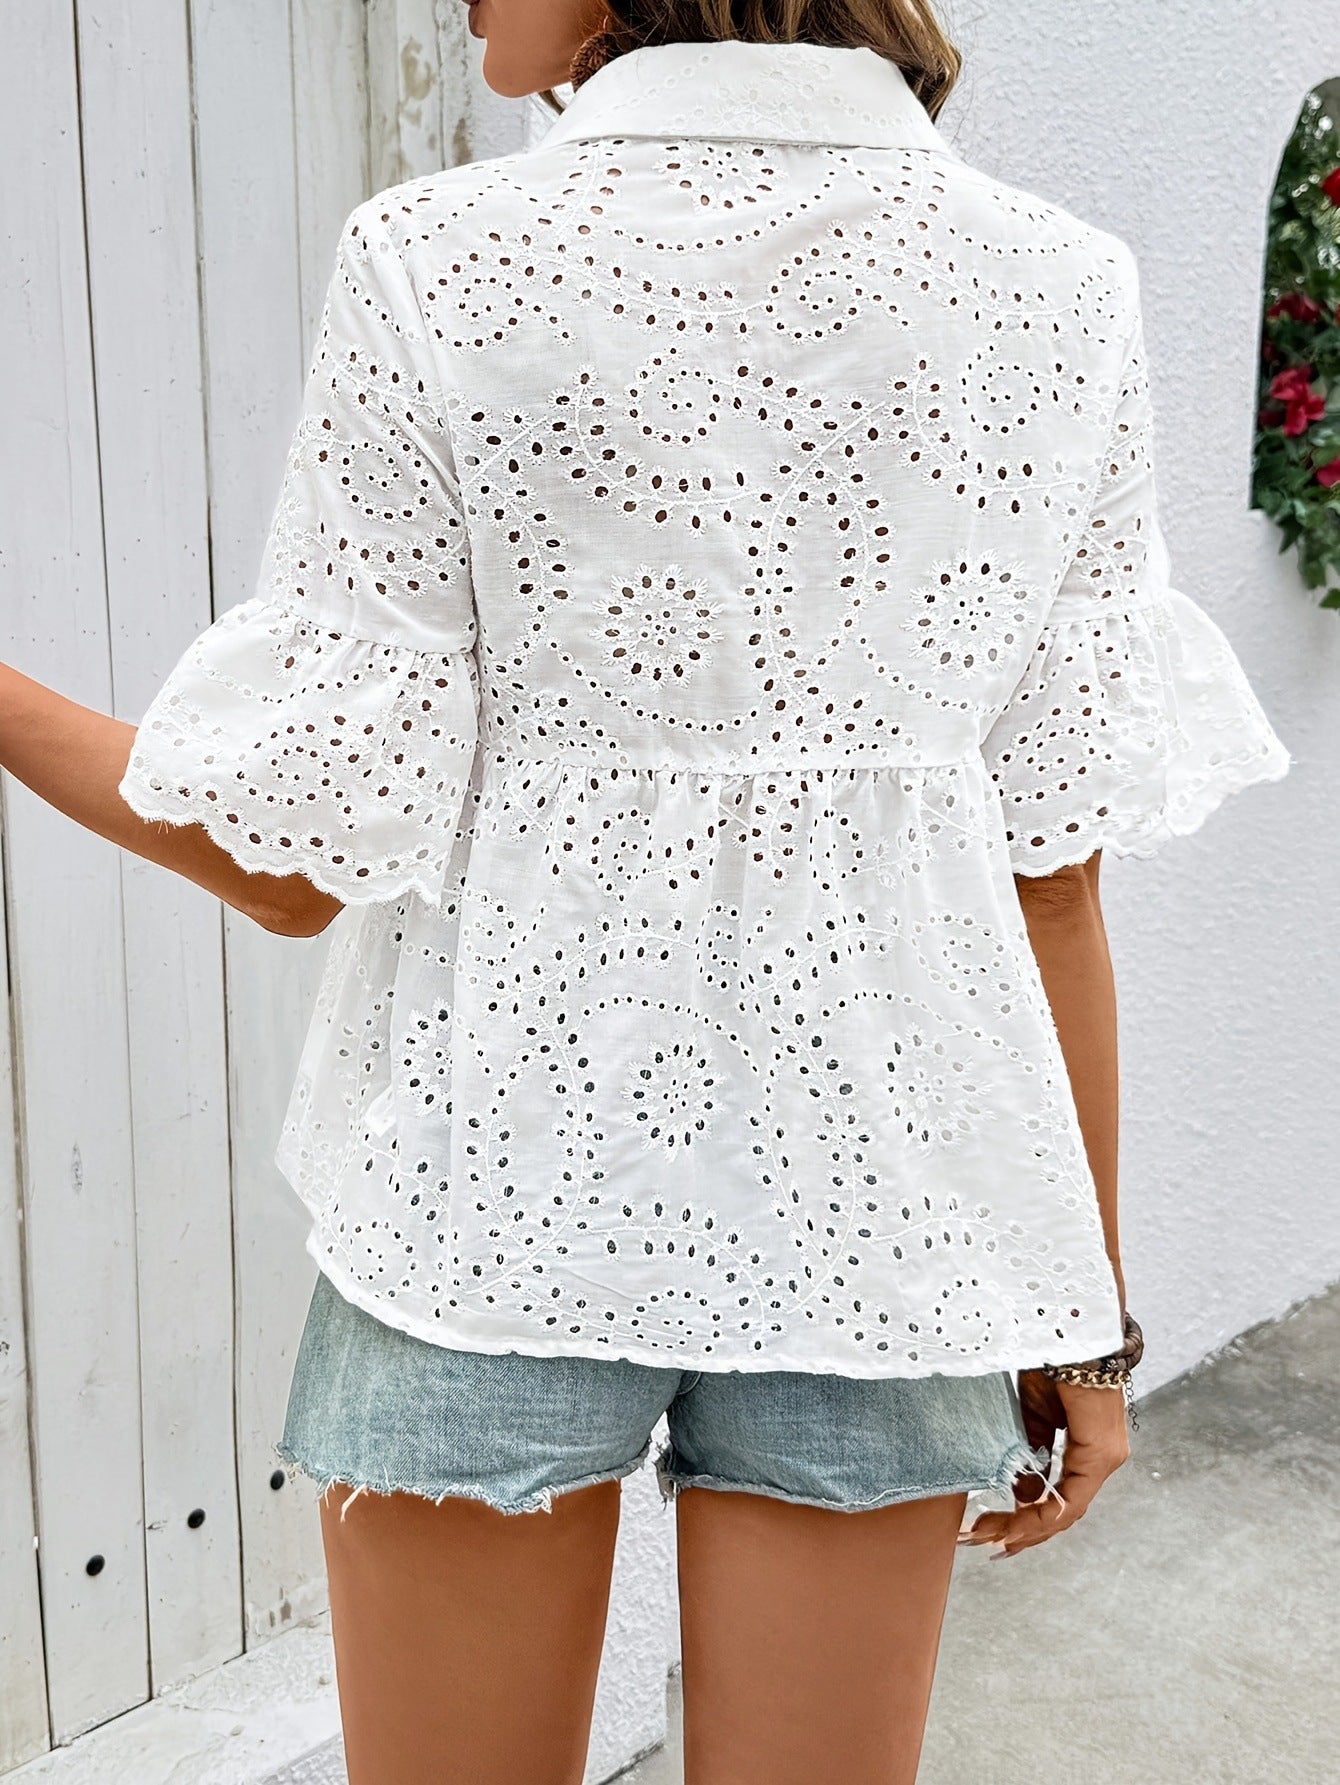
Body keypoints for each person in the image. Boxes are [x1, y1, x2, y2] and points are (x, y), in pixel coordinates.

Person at [0, 3, 1290, 1782]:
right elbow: (1050, 880)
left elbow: (289, 873)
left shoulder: (439, 262)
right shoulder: (1062, 287)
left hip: (483, 1206)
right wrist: (1086, 1316)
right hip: (891, 1219)